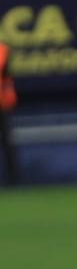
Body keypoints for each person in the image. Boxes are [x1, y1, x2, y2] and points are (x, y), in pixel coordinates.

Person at [0, 41, 19, 184]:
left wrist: (8, 97)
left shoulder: (4, 50)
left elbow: (8, 77)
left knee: (8, 141)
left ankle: (13, 179)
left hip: (2, 104)